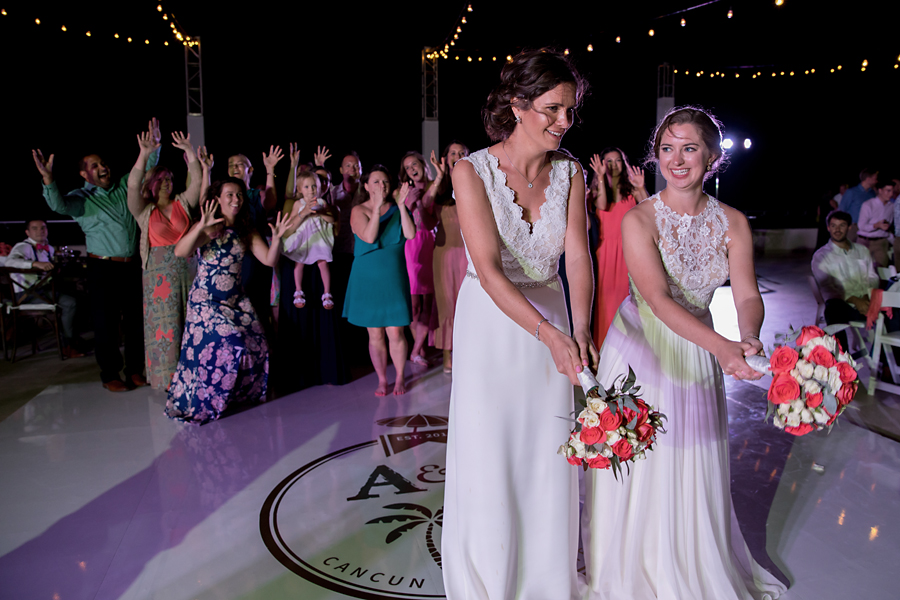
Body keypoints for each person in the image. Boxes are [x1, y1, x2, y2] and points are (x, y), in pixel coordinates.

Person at [581, 106, 786, 600]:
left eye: (689, 147)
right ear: (655, 157)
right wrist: (722, 348)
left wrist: (750, 336)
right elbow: (656, 298)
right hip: (641, 347)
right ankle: (629, 566)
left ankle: (689, 561)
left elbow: (747, 295)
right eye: (667, 148)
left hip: (700, 348)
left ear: (712, 157)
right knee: (644, 457)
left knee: (692, 459)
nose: (677, 159)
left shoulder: (733, 222)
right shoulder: (639, 219)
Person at [441, 49, 596, 600]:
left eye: (570, 111)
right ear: (517, 105)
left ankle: (547, 577)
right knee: (491, 451)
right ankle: (488, 578)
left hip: (553, 318)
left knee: (547, 449)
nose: (564, 122)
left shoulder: (572, 171)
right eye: (552, 109)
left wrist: (579, 327)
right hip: (493, 324)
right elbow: (485, 269)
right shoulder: (471, 170)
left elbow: (577, 257)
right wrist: (551, 334)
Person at [32, 118, 161, 392]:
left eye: (103, 163)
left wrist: (152, 149)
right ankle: (110, 373)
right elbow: (58, 205)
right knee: (106, 322)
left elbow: (146, 169)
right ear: (84, 175)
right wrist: (48, 180)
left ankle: (136, 370)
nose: (103, 168)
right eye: (95, 166)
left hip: (131, 265)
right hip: (102, 268)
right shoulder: (81, 199)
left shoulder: (125, 187)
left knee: (136, 320)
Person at [165, 179, 293, 424]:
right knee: (231, 340)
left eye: (239, 195)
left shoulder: (248, 230)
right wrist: (200, 226)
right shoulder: (210, 228)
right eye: (230, 195)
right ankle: (209, 398)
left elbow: (268, 260)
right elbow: (180, 252)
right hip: (207, 301)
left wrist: (276, 239)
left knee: (259, 344)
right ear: (218, 200)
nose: (236, 199)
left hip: (236, 300)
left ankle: (238, 395)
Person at [127, 130, 203, 390]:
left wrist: (189, 152)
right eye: (160, 181)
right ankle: (169, 381)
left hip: (188, 269)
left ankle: (196, 375)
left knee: (192, 321)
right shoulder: (144, 211)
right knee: (166, 329)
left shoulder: (183, 203)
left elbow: (197, 182)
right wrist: (144, 154)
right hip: (159, 277)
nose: (166, 184)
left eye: (169, 179)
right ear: (152, 184)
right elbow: (132, 186)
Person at [343, 166, 416, 396]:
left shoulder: (397, 208)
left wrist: (403, 206)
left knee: (396, 333)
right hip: (367, 279)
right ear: (365, 186)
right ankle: (383, 379)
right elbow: (370, 236)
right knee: (375, 334)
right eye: (375, 182)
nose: (381, 186)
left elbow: (411, 234)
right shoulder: (358, 210)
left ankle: (400, 377)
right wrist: (375, 209)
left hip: (393, 277)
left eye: (385, 181)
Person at [588, 146, 648, 348]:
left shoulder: (631, 190)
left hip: (628, 253)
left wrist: (641, 188)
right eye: (609, 161)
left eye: (618, 160)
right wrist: (600, 176)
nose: (614, 165)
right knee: (605, 303)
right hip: (605, 253)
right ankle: (605, 351)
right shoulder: (597, 190)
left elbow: (650, 212)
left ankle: (631, 351)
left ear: (624, 163)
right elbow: (603, 205)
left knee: (628, 302)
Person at [6, 219, 83, 358]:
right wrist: (35, 264)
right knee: (70, 303)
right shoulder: (23, 246)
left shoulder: (49, 248)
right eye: (35, 228)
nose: (40, 231)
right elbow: (9, 261)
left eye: (43, 228)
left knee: (77, 297)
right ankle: (68, 345)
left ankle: (72, 339)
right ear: (27, 232)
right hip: (25, 295)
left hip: (43, 291)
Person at [812, 210, 882, 351]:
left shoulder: (862, 250)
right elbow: (829, 288)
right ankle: (843, 361)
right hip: (844, 304)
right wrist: (855, 300)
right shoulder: (821, 256)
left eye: (842, 225)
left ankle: (885, 362)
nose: (837, 230)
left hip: (868, 301)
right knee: (833, 309)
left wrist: (866, 297)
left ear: (850, 227)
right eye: (833, 226)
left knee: (894, 307)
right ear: (828, 227)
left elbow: (873, 277)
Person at [397, 151, 441, 365]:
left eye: (414, 164)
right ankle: (418, 348)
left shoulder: (435, 186)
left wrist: (420, 205)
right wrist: (407, 204)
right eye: (407, 167)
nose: (412, 169)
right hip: (411, 247)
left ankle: (416, 350)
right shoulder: (403, 191)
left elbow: (430, 223)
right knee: (413, 304)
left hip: (430, 246)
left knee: (428, 302)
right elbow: (400, 222)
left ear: (423, 165)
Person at [431, 140, 469, 373]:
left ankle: (467, 350)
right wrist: (439, 177)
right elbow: (425, 214)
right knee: (447, 305)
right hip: (444, 254)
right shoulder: (439, 188)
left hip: (469, 253)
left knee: (467, 303)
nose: (457, 155)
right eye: (453, 152)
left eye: (462, 152)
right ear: (446, 158)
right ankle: (447, 352)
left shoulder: (474, 182)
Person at [281, 171, 336, 309]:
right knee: (299, 263)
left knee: (323, 263)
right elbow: (292, 222)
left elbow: (332, 220)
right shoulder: (298, 203)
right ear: (299, 189)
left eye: (314, 186)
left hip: (318, 237)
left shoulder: (322, 202)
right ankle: (298, 290)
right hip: (304, 238)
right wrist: (303, 212)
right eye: (306, 187)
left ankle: (327, 292)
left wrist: (322, 213)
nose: (311, 189)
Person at [857, 179, 895, 268]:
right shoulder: (868, 204)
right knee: (861, 270)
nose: (891, 194)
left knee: (881, 271)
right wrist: (876, 225)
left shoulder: (892, 206)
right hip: (865, 241)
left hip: (881, 242)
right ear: (880, 190)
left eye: (892, 191)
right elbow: (861, 226)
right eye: (888, 191)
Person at [838, 167, 878, 242]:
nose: (876, 181)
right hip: (853, 227)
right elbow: (842, 210)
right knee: (849, 250)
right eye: (874, 178)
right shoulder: (852, 192)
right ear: (868, 179)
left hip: (867, 227)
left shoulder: (872, 193)